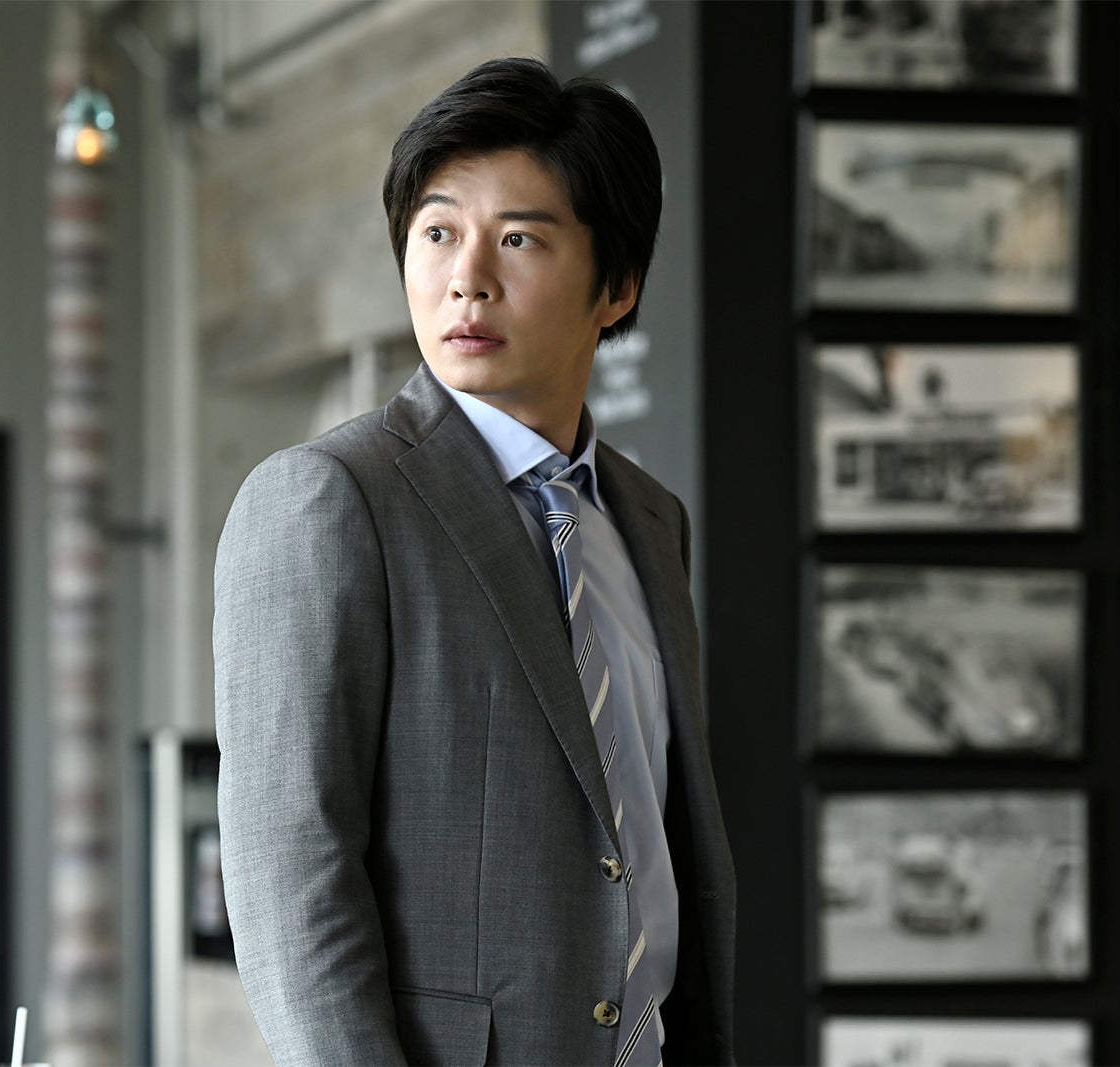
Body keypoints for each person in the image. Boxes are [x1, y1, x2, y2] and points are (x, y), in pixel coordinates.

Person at [214, 57, 735, 1066]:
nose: (467, 277)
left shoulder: (648, 519)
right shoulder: (330, 498)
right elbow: (289, 874)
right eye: (439, 233)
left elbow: (653, 834)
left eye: (519, 239)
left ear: (617, 287)